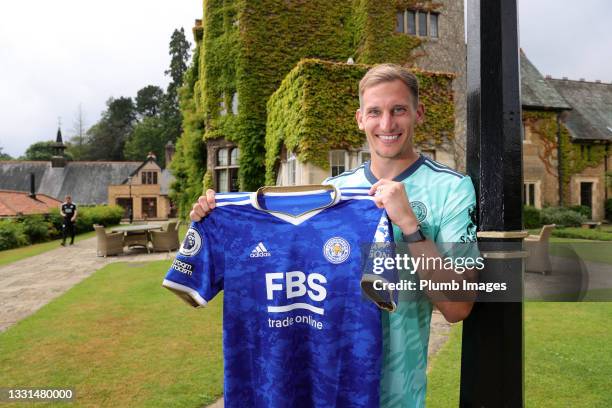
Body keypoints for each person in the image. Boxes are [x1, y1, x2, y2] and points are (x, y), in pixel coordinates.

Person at [189, 64, 477, 407]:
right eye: (375, 112)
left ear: (419, 114)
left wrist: (411, 228)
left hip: (397, 397)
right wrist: (215, 218)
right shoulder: (333, 193)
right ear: (360, 118)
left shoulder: (451, 189)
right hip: (328, 392)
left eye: (398, 110)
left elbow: (458, 306)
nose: (386, 124)